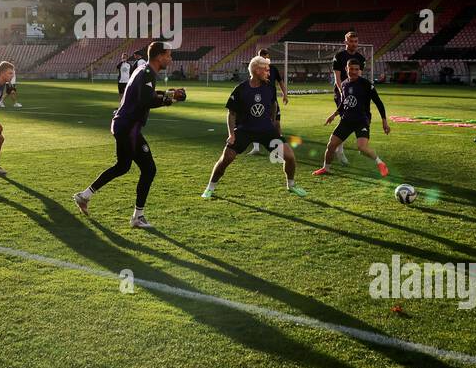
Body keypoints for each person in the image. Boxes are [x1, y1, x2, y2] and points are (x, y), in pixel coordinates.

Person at [73, 41, 179, 228]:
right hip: (129, 127)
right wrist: (169, 100)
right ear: (159, 56)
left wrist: (169, 93)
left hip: (124, 125)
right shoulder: (147, 72)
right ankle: (137, 217)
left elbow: (147, 94)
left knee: (122, 166)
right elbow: (146, 99)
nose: (170, 59)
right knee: (149, 169)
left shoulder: (145, 70)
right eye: (168, 55)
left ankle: (84, 196)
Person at [202, 55, 307, 199]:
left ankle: (291, 185)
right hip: (244, 131)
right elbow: (231, 114)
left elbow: (274, 105)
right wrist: (231, 134)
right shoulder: (240, 89)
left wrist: (273, 125)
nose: (269, 73)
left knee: (289, 157)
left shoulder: (269, 87)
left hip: (266, 131)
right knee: (226, 159)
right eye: (266, 70)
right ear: (257, 70)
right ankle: (210, 188)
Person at [315, 59, 390, 176]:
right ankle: (326, 168)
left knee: (362, 148)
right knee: (331, 145)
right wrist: (334, 115)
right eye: (351, 69)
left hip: (361, 121)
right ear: (346, 69)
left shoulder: (366, 84)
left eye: (356, 69)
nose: (354, 72)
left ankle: (380, 163)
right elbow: (344, 103)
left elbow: (379, 103)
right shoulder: (344, 84)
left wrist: (384, 122)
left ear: (359, 70)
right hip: (346, 120)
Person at [332, 31, 367, 98]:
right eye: (351, 41)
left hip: (354, 90)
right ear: (345, 42)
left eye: (355, 41)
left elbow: (358, 77)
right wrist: (342, 92)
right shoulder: (338, 56)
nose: (354, 44)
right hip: (340, 90)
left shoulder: (361, 58)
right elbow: (337, 78)